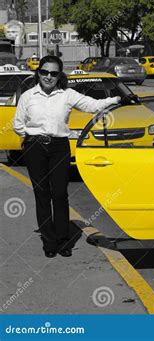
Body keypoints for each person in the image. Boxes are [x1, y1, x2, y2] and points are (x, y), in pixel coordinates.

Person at [13, 56, 121, 258]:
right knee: (42, 194)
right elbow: (17, 124)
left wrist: (116, 99)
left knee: (60, 194)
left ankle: (63, 241)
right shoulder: (28, 96)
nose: (48, 76)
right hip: (35, 147)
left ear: (59, 75)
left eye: (53, 73)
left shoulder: (67, 95)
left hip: (59, 148)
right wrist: (29, 140)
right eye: (44, 72)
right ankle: (49, 242)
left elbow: (92, 105)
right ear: (38, 73)